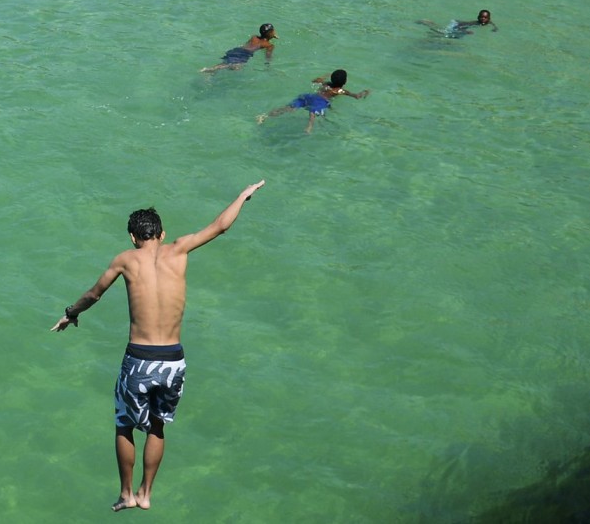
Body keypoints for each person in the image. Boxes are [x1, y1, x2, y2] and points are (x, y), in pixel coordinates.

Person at [50, 180, 266, 512]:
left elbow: (94, 294)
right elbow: (221, 226)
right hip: (173, 360)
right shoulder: (179, 249)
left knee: (125, 423)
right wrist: (242, 196)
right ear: (162, 234)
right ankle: (146, 493)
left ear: (133, 237)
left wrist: (70, 314)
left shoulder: (125, 259)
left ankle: (126, 493)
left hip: (139, 358)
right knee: (157, 425)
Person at [256, 70, 370, 133]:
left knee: (288, 108)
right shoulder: (340, 90)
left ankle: (264, 116)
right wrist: (365, 92)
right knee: (313, 114)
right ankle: (309, 127)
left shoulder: (326, 84)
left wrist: (326, 75)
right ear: (344, 82)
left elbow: (315, 81)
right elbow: (356, 96)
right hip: (320, 102)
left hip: (310, 96)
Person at [200, 23, 277, 73]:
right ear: (270, 33)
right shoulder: (269, 45)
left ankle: (211, 71)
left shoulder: (254, 37)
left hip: (237, 50)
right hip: (245, 54)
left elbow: (249, 43)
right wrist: (268, 64)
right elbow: (268, 56)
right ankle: (210, 70)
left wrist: (270, 36)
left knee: (228, 63)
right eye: (274, 31)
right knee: (235, 67)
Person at [416, 9, 498, 38]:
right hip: (460, 25)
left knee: (449, 34)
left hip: (460, 24)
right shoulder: (475, 23)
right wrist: (466, 32)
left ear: (489, 18)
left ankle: (429, 24)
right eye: (481, 17)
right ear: (478, 17)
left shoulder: (488, 22)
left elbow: (493, 24)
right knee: (445, 33)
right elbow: (463, 27)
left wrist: (495, 28)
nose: (483, 19)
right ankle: (428, 23)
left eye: (485, 17)